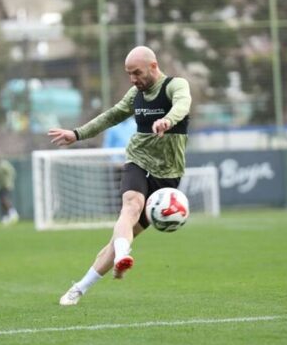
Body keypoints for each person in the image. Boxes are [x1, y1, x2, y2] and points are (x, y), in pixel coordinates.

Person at [48, 46, 192, 306]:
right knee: (131, 205)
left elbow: (183, 104)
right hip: (137, 159)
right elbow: (112, 115)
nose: (133, 79)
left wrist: (168, 121)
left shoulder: (174, 85)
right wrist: (77, 133)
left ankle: (81, 287)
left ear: (153, 66)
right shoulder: (135, 94)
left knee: (119, 237)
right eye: (129, 74)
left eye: (136, 73)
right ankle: (122, 255)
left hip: (168, 176)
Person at [0, 154, 20, 225]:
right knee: (1, 202)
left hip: (7, 185)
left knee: (4, 199)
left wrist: (9, 181)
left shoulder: (4, 165)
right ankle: (5, 217)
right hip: (0, 186)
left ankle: (13, 212)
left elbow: (11, 172)